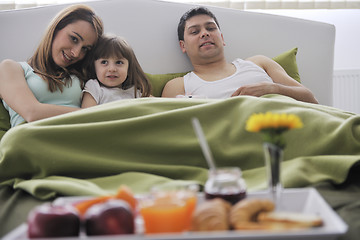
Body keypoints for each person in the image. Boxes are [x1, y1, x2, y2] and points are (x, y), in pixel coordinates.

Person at [161, 7, 318, 104]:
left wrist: (273, 88)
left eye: (211, 28)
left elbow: (312, 100)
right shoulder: (179, 86)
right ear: (183, 46)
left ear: (221, 39)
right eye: (195, 31)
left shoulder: (259, 63)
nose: (205, 34)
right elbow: (170, 130)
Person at [0, 4, 104, 127]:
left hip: (76, 139)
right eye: (74, 39)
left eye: (85, 49)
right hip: (30, 138)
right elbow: (32, 113)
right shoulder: (11, 68)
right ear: (55, 29)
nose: (76, 53)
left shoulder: (83, 77)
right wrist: (92, 115)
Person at [81, 34, 152, 108]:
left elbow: (160, 106)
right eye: (104, 62)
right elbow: (87, 115)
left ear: (129, 68)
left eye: (119, 62)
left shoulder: (136, 92)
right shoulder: (94, 88)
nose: (112, 69)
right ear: (94, 66)